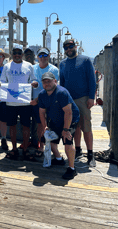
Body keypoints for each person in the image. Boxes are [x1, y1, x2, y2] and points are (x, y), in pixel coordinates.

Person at [59, 39, 96, 167]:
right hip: (69, 100)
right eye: (66, 48)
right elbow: (62, 84)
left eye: (70, 46)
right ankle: (78, 150)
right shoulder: (62, 63)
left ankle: (91, 154)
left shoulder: (85, 60)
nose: (68, 49)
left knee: (86, 127)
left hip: (83, 98)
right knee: (75, 127)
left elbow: (92, 80)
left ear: (75, 46)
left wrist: (92, 97)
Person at [38, 72, 80, 179]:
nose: (47, 84)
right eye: (44, 82)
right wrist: (44, 126)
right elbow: (42, 112)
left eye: (49, 81)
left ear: (55, 81)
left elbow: (68, 112)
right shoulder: (42, 94)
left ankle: (72, 169)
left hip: (70, 119)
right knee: (50, 140)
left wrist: (66, 130)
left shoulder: (62, 93)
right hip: (55, 119)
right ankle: (58, 159)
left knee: (67, 143)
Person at [0, 44, 38, 160]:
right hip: (11, 103)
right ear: (12, 54)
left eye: (19, 53)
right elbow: (2, 81)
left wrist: (35, 84)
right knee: (12, 126)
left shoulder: (29, 66)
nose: (17, 55)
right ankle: (14, 149)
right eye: (15, 53)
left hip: (25, 102)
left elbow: (34, 80)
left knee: (26, 126)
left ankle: (25, 149)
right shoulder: (6, 66)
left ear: (22, 55)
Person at [30, 48, 59, 157]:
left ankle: (52, 148)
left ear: (49, 56)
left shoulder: (54, 69)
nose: (43, 58)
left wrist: (37, 99)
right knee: (40, 125)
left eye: (45, 55)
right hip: (35, 103)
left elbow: (52, 87)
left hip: (49, 102)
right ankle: (41, 146)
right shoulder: (32, 68)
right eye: (40, 56)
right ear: (37, 57)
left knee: (49, 125)